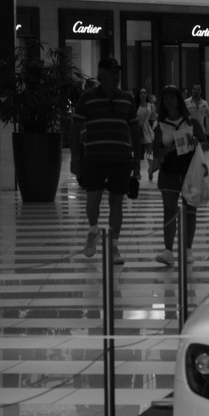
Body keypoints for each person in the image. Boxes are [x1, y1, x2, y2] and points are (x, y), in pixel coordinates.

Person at [69, 57, 139, 265]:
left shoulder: (127, 98)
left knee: (117, 202)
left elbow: (135, 130)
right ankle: (93, 230)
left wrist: (137, 161)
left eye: (117, 72)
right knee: (93, 200)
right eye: (111, 72)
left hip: (121, 158)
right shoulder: (87, 98)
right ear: (101, 75)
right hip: (94, 157)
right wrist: (75, 158)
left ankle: (114, 247)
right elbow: (75, 127)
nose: (116, 76)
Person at [150, 85, 209, 266]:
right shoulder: (160, 126)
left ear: (178, 100)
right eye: (165, 98)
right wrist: (169, 148)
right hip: (169, 172)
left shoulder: (191, 122)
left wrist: (195, 142)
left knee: (190, 208)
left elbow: (206, 144)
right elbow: (156, 152)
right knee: (169, 210)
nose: (169, 101)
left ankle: (188, 249)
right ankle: (168, 250)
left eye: (172, 97)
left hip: (189, 171)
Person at [135, 87, 156, 181]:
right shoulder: (136, 105)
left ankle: (150, 167)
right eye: (141, 93)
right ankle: (137, 171)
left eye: (144, 93)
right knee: (138, 152)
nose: (143, 94)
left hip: (147, 128)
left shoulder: (150, 105)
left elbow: (153, 117)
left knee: (149, 150)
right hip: (138, 129)